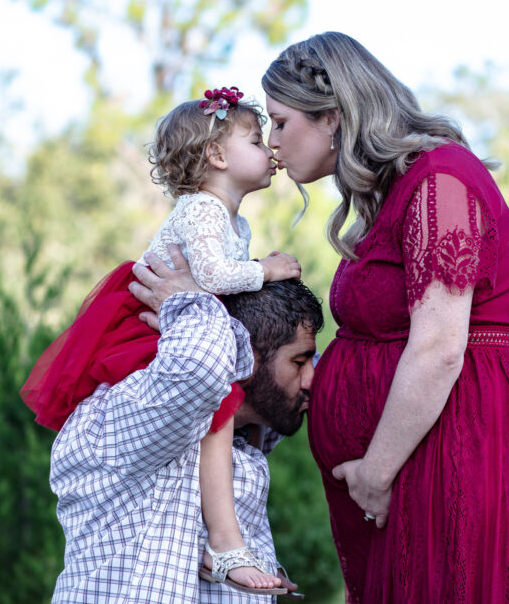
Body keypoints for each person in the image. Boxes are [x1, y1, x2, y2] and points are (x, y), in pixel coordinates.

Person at [260, 32, 509, 602]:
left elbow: (440, 347)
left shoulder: (440, 179)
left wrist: (376, 471)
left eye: (280, 122)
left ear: (332, 116)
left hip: (454, 456)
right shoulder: (400, 191)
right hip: (414, 467)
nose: (271, 141)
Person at [21, 87, 302, 593]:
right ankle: (223, 541)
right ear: (216, 155)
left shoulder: (233, 218)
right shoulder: (202, 210)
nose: (270, 151)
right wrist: (265, 269)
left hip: (191, 328)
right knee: (216, 409)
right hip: (157, 329)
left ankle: (215, 538)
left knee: (217, 416)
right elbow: (212, 277)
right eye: (257, 141)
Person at [49, 247, 322, 602]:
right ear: (243, 354)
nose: (311, 379)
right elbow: (201, 368)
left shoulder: (244, 431)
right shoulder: (133, 413)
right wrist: (190, 302)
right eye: (300, 361)